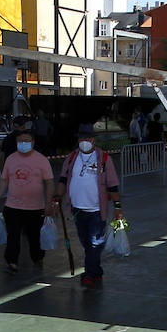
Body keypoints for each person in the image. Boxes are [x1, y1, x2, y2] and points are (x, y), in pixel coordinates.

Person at [55, 123, 121, 289]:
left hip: (97, 211)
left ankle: (88, 274)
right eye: (81, 138)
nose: (84, 141)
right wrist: (57, 198)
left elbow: (112, 185)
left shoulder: (104, 159)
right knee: (87, 243)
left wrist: (118, 207)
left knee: (95, 243)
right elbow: (63, 179)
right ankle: (96, 270)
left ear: (94, 139)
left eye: (88, 138)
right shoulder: (71, 158)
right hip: (77, 210)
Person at [0, 130, 54, 275]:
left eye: (26, 141)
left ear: (33, 142)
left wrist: (49, 203)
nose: (23, 144)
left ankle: (37, 257)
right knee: (13, 235)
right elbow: (4, 180)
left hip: (35, 207)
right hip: (13, 206)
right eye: (20, 141)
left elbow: (50, 182)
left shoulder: (41, 160)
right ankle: (12, 262)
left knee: (34, 236)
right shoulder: (11, 159)